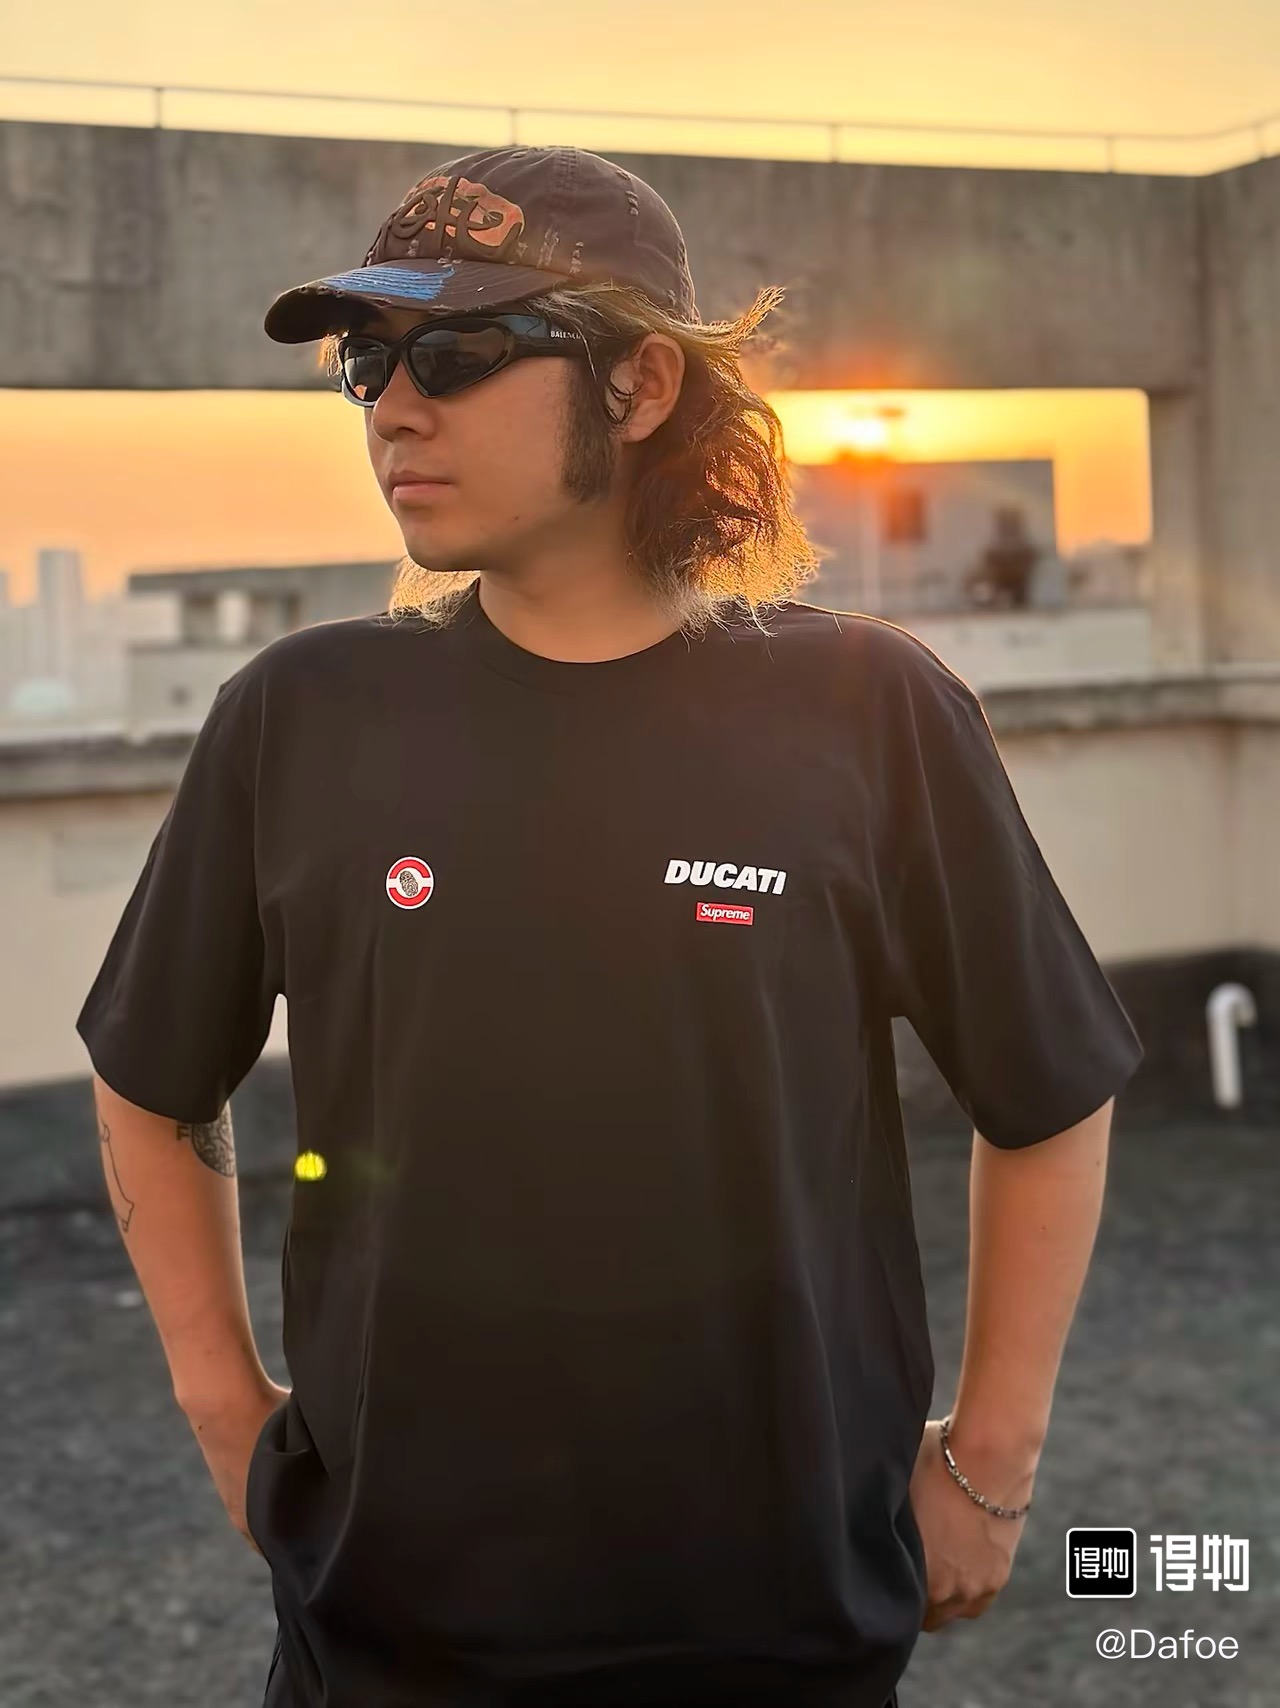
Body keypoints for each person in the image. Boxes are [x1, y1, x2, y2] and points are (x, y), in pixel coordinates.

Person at [75, 144, 1145, 1708]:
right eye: (367, 362)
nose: (392, 408)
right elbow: (153, 1078)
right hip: (386, 1644)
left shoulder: (865, 709)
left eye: (455, 353)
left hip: (776, 1628)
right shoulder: (302, 716)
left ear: (642, 385)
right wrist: (228, 1415)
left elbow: (1048, 1090)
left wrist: (992, 1462)